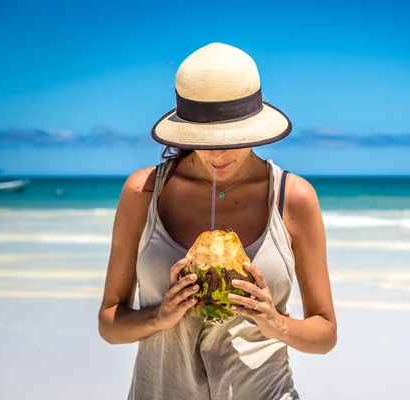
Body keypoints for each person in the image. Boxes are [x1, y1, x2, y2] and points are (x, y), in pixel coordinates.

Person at [97, 42, 337, 400]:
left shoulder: (292, 197)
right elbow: (109, 324)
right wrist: (159, 317)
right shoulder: (144, 191)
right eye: (204, 140)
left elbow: (325, 335)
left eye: (230, 138)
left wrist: (275, 323)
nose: (217, 153)